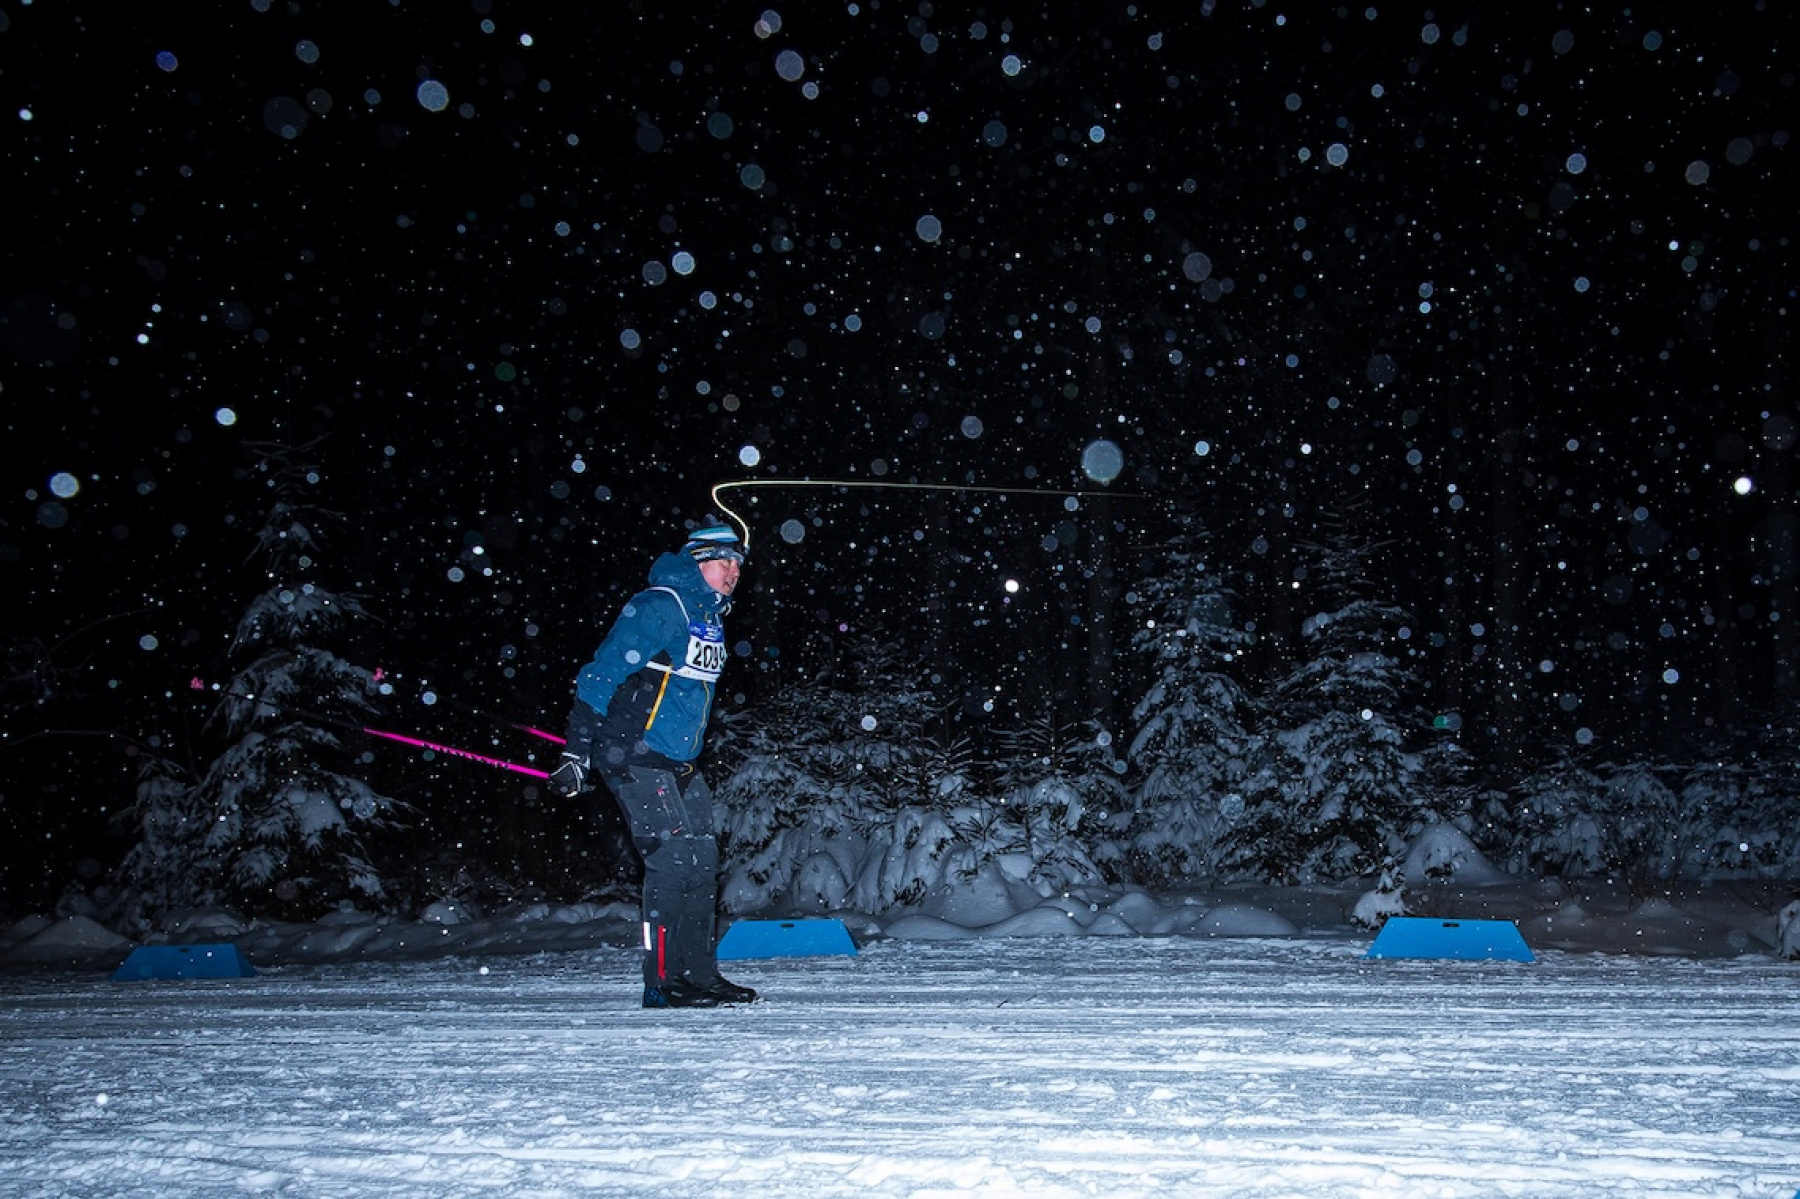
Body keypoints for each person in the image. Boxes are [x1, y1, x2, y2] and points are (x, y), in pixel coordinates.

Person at [547, 523, 757, 1009]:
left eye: (737, 565)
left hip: (679, 762)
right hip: (635, 755)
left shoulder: (709, 618)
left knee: (703, 865)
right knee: (674, 862)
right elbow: (599, 676)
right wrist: (576, 752)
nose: (732, 572)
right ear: (697, 562)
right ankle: (662, 982)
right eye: (722, 562)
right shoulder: (660, 606)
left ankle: (699, 975)